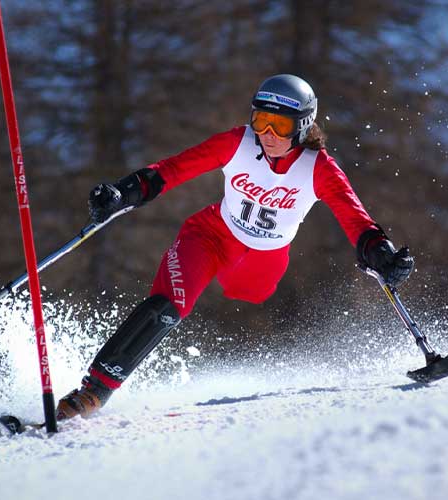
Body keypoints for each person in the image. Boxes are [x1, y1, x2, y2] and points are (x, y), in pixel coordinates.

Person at [55, 74, 414, 421]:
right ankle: (94, 391)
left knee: (249, 292)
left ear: (303, 126)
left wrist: (379, 252)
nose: (268, 134)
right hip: (210, 236)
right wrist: (123, 192)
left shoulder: (319, 168)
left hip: (262, 262)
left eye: (281, 126)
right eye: (261, 120)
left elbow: (355, 218)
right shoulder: (238, 143)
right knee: (169, 305)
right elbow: (173, 169)